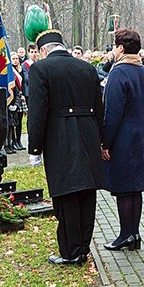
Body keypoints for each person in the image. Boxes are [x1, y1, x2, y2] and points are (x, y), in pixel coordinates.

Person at [27, 29, 104, 265]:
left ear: (42, 50)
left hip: (59, 137)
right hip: (88, 134)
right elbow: (99, 108)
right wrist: (101, 139)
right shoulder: (87, 68)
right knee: (86, 193)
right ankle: (83, 246)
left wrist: (34, 148)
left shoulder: (41, 69)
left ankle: (70, 251)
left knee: (66, 193)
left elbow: (38, 112)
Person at [101, 29, 144, 251]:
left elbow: (112, 113)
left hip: (123, 136)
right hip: (142, 133)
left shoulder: (119, 73)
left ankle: (125, 234)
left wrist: (106, 143)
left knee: (124, 187)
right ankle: (134, 234)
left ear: (121, 48)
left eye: (115, 46)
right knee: (136, 187)